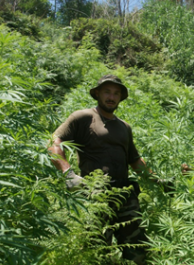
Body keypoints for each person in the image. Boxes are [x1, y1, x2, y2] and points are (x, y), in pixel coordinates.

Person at [48, 74, 150, 264]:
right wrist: (68, 174)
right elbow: (54, 142)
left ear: (121, 97)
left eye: (116, 93)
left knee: (138, 251)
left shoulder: (124, 127)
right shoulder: (83, 117)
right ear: (97, 94)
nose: (111, 97)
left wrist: (157, 180)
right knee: (97, 253)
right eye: (107, 92)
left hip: (125, 196)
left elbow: (135, 161)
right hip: (95, 194)